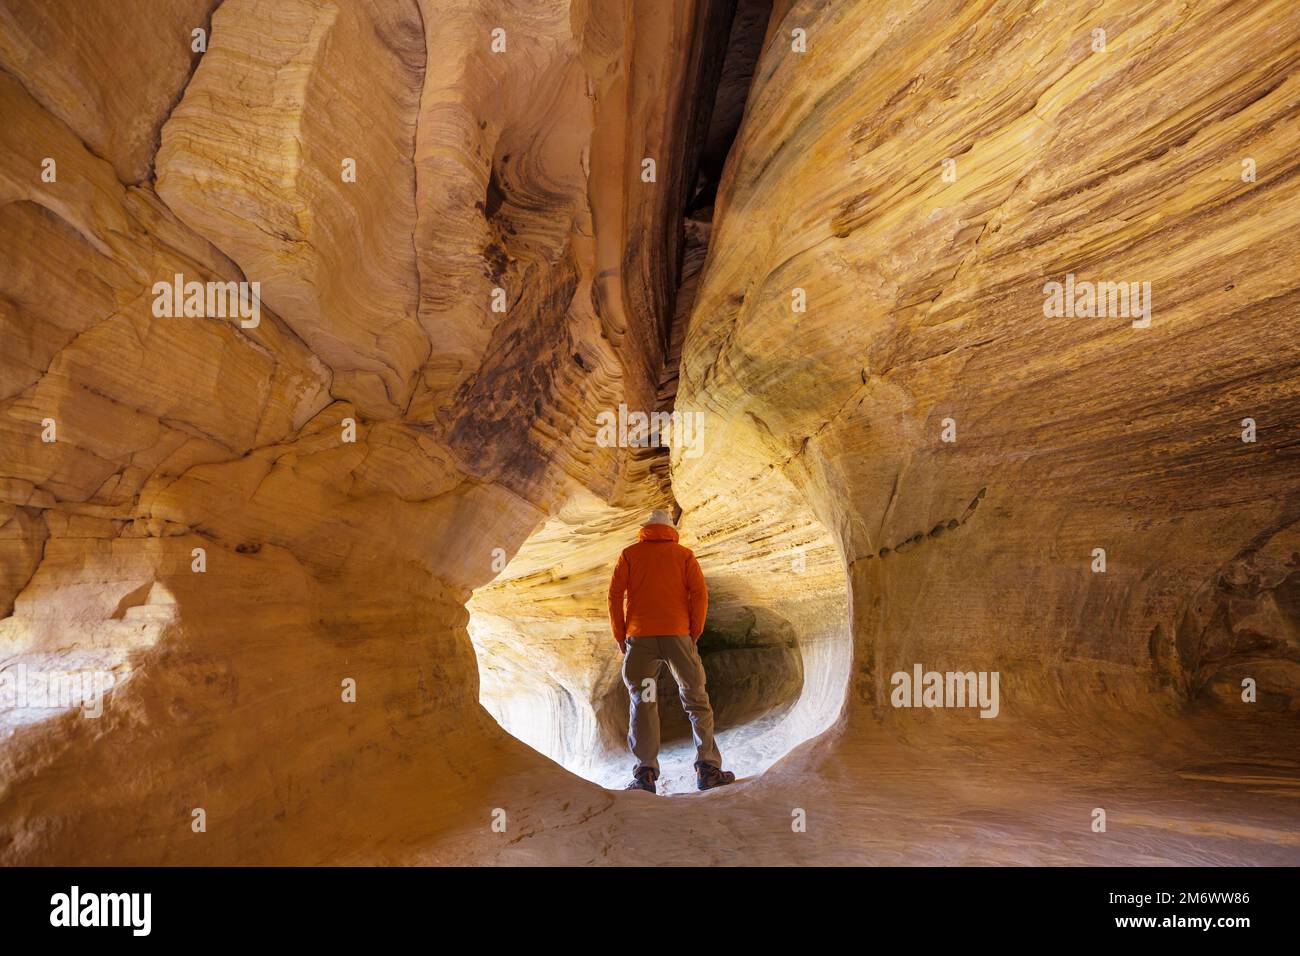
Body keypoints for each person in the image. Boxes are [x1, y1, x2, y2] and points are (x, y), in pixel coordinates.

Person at [607, 509, 735, 793]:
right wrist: (693, 632)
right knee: (695, 698)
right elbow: (699, 594)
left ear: (646, 529)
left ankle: (645, 775)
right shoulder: (684, 555)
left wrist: (620, 633)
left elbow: (615, 595)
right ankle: (707, 768)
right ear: (669, 530)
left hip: (641, 640)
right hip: (678, 637)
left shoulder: (630, 554)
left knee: (645, 701)